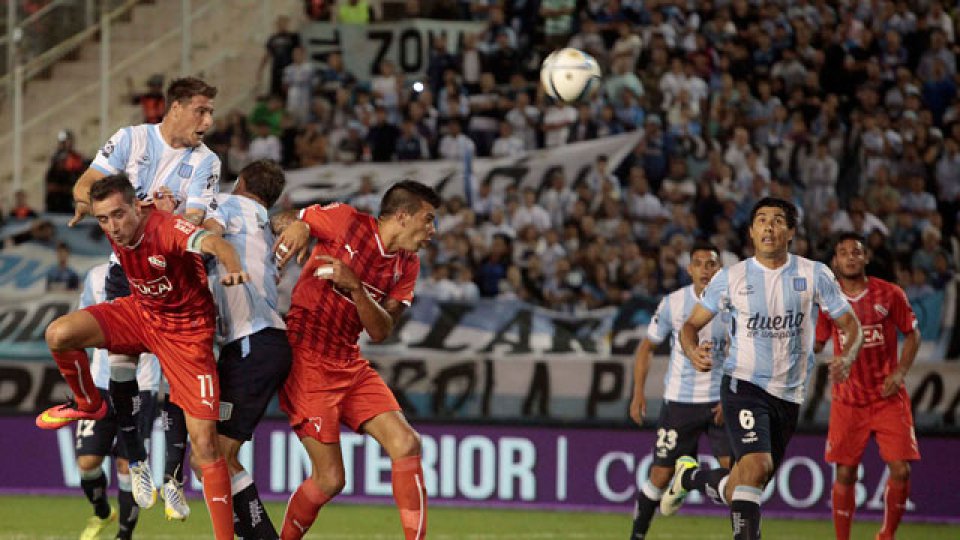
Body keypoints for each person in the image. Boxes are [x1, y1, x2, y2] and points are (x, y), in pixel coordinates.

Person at [36, 174, 248, 540]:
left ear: (137, 206)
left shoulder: (166, 228)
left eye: (119, 215)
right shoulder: (115, 223)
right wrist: (81, 202)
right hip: (140, 313)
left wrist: (233, 267)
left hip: (186, 333)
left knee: (206, 445)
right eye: (103, 219)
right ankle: (89, 404)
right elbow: (88, 192)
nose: (113, 227)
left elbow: (215, 243)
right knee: (59, 334)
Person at [660, 197, 863, 540]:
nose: (769, 226)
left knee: (745, 482)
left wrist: (849, 354)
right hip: (744, 384)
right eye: (762, 220)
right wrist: (692, 351)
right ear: (752, 232)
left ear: (791, 232)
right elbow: (690, 326)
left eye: (778, 220)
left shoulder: (814, 274)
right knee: (757, 466)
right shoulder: (731, 278)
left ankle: (690, 478)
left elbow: (851, 324)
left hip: (789, 394)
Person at [66, 76, 221, 515]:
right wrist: (100, 205)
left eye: (210, 112)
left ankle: (172, 475)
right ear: (175, 108)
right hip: (126, 271)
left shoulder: (207, 161)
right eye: (201, 110)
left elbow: (192, 220)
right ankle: (137, 460)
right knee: (121, 368)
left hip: (176, 280)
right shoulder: (130, 140)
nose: (208, 121)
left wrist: (160, 216)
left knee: (175, 383)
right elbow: (85, 186)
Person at [271, 180, 440, 539]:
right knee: (330, 479)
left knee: (407, 443)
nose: (432, 230)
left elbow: (381, 330)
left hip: (349, 360)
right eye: (427, 220)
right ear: (402, 216)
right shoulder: (345, 221)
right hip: (306, 358)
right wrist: (298, 225)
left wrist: (357, 289)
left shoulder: (408, 265)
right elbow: (281, 219)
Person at [202, 159, 292, 539]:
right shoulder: (265, 229)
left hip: (250, 342)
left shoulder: (226, 204)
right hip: (259, 343)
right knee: (211, 456)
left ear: (240, 182)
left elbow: (203, 230)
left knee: (215, 455)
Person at [815, 232, 921, 540]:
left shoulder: (890, 293)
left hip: (888, 396)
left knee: (901, 469)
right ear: (835, 262)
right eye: (843, 252)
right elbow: (818, 343)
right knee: (845, 472)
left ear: (866, 257)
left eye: (856, 251)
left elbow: (912, 334)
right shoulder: (829, 301)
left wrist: (900, 371)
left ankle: (887, 534)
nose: (850, 257)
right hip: (848, 399)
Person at [628, 241, 732, 539]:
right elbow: (646, 348)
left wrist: (730, 397)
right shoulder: (673, 303)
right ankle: (637, 536)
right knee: (660, 475)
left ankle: (689, 478)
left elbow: (742, 356)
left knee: (739, 477)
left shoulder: (733, 304)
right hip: (680, 402)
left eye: (711, 264)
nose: (705, 270)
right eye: (699, 264)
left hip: (719, 403)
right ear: (689, 269)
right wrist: (638, 393)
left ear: (720, 269)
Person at [74, 263, 162, 540]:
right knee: (87, 463)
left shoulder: (157, 270)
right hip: (100, 383)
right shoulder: (96, 275)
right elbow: (83, 321)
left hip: (142, 384)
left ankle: (124, 535)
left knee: (127, 466)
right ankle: (102, 512)